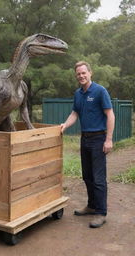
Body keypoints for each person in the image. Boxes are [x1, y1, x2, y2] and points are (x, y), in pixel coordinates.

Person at [61, 61, 115, 228]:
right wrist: (64, 125)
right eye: (78, 74)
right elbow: (74, 113)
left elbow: (110, 115)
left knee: (99, 179)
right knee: (87, 176)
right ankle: (91, 206)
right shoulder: (78, 94)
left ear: (90, 73)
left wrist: (109, 139)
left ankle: (101, 212)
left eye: (84, 73)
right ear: (76, 76)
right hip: (84, 139)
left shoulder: (100, 91)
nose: (81, 76)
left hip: (99, 139)